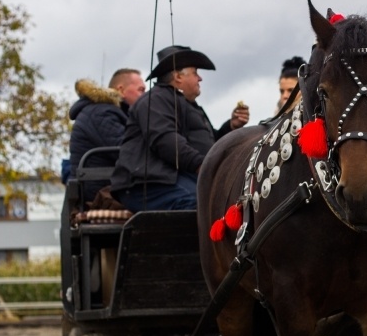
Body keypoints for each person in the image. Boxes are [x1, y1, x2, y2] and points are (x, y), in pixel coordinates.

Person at [110, 45, 250, 212]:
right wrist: (204, 167)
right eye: (195, 72)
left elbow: (210, 144)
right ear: (177, 77)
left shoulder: (187, 105)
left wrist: (231, 126)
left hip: (176, 179)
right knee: (204, 206)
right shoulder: (155, 100)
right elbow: (166, 141)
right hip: (147, 184)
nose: (200, 79)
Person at [66, 68, 146, 201]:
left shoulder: (111, 112)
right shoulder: (102, 113)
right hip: (101, 192)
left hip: (109, 186)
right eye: (141, 90)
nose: (145, 95)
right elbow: (128, 153)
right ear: (121, 90)